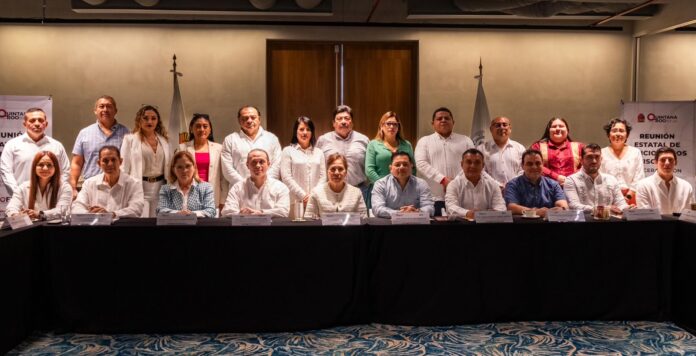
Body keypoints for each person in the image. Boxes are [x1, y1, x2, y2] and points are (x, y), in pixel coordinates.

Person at [415, 107, 474, 216]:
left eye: (447, 118)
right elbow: (421, 163)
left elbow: (473, 164)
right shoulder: (424, 141)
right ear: (433, 123)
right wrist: (443, 180)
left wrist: (455, 183)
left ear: (453, 122)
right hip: (434, 198)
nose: (443, 120)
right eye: (439, 118)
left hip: (461, 195)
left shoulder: (465, 140)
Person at [0, 108, 70, 197]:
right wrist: (18, 194)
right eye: (32, 120)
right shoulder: (12, 145)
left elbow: (65, 171)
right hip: (20, 199)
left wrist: (55, 192)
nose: (37, 124)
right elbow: (6, 172)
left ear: (46, 124)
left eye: (41, 120)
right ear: (25, 124)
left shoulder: (57, 146)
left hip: (50, 199)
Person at [70, 95, 130, 199]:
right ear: (95, 110)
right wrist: (73, 187)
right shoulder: (84, 133)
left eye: (109, 106)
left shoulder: (127, 133)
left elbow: (131, 162)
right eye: (101, 106)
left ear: (115, 110)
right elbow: (76, 163)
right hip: (91, 187)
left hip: (118, 188)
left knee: (115, 215)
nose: (105, 109)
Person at [120, 105, 171, 217]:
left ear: (158, 121)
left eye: (153, 118)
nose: (150, 121)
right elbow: (123, 168)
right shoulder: (130, 140)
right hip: (139, 185)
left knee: (158, 222)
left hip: (161, 187)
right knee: (141, 223)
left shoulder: (164, 140)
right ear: (139, 120)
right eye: (145, 118)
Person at [316, 105, 370, 204]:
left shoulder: (364, 140)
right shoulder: (323, 140)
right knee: (331, 219)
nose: (343, 121)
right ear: (333, 123)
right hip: (330, 191)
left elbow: (369, 166)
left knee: (361, 219)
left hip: (360, 190)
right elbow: (317, 167)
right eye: (339, 119)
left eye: (347, 118)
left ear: (352, 122)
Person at [72, 145, 144, 218]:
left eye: (113, 160)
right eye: (105, 161)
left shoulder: (134, 184)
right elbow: (77, 207)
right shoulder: (89, 183)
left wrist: (111, 214)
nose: (110, 164)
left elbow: (136, 210)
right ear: (99, 163)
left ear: (120, 161)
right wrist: (91, 215)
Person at [221, 105, 282, 188]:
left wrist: (264, 184)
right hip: (239, 190)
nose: (249, 121)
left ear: (259, 119)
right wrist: (246, 186)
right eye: (245, 118)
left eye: (253, 117)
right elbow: (227, 169)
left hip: (268, 189)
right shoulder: (230, 140)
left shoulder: (272, 138)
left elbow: (277, 165)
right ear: (239, 120)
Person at [178, 113, 228, 213]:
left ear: (210, 129)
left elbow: (223, 178)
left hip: (212, 194)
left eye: (205, 126)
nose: (202, 129)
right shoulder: (183, 148)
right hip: (189, 193)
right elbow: (176, 173)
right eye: (198, 126)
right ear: (191, 129)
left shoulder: (219, 148)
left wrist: (223, 200)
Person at [280, 116, 326, 219]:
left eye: (308, 129)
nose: (304, 132)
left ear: (312, 132)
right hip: (295, 201)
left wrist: (313, 196)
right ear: (295, 132)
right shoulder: (287, 151)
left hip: (316, 201)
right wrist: (303, 196)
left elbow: (323, 177)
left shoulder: (319, 152)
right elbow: (286, 177)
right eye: (301, 129)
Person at [221, 149, 289, 217]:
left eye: (261, 162)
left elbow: (283, 211)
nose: (258, 166)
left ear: (268, 164)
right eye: (254, 162)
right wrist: (241, 214)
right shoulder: (237, 187)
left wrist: (261, 212)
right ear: (247, 165)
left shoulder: (280, 187)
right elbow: (226, 211)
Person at [5, 151, 72, 221]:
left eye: (49, 165)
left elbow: (62, 210)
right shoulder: (23, 187)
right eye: (41, 165)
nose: (45, 168)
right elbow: (11, 208)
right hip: (30, 229)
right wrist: (15, 215)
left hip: (55, 229)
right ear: (34, 167)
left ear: (56, 168)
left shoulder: (65, 188)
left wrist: (38, 214)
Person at [563, 143, 629, 213]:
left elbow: (621, 203)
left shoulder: (611, 180)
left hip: (608, 221)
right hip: (583, 222)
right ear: (581, 160)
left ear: (601, 159)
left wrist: (628, 209)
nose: (594, 161)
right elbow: (573, 206)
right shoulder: (571, 180)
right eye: (589, 157)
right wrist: (603, 210)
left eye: (597, 157)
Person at [504, 149, 569, 218]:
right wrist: (535, 212)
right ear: (522, 166)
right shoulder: (513, 185)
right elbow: (511, 207)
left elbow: (563, 206)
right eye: (529, 164)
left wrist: (560, 209)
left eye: (538, 163)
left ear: (542, 165)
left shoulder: (553, 184)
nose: (534, 167)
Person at [444, 149, 506, 219]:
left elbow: (501, 208)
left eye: (477, 162)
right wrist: (469, 213)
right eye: (469, 162)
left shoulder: (493, 185)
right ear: (462, 164)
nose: (473, 166)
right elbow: (451, 208)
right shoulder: (453, 185)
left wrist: (482, 215)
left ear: (483, 166)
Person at [371, 151, 434, 218]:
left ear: (411, 166)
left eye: (405, 164)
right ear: (390, 168)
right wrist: (400, 214)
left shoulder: (421, 184)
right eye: (397, 165)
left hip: (415, 224)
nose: (401, 167)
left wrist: (417, 212)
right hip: (389, 225)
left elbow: (430, 208)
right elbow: (377, 209)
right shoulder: (380, 184)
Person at [305, 153, 367, 218]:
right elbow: (309, 220)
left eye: (340, 169)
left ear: (345, 172)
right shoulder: (316, 193)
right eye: (333, 169)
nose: (336, 173)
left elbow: (363, 220)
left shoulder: (356, 193)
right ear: (327, 171)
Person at [157, 151, 216, 217]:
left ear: (194, 167)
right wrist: (178, 213)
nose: (184, 170)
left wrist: (192, 214)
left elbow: (211, 211)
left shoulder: (206, 188)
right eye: (179, 167)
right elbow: (160, 210)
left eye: (188, 166)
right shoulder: (166, 189)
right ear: (173, 169)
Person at [635, 147, 694, 215]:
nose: (667, 163)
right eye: (663, 160)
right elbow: (646, 217)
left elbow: (689, 216)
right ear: (655, 163)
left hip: (681, 225)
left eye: (670, 159)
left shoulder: (686, 187)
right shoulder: (643, 185)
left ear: (676, 163)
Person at [600, 118, 644, 205]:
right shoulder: (601, 153)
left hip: (632, 196)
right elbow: (600, 178)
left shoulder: (635, 152)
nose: (618, 134)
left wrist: (628, 196)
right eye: (614, 130)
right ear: (608, 134)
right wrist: (614, 197)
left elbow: (639, 177)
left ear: (627, 135)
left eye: (621, 131)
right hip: (608, 197)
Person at [530, 117, 584, 186]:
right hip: (546, 188)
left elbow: (585, 166)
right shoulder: (537, 147)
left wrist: (570, 179)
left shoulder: (580, 147)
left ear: (567, 130)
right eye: (554, 126)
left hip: (575, 187)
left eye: (561, 126)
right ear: (548, 130)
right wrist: (556, 177)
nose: (558, 129)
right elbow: (534, 165)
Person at [366, 111, 415, 185]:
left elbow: (413, 168)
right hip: (379, 188)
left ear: (398, 128)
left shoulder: (407, 145)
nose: (392, 127)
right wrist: (383, 186)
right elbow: (369, 170)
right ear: (381, 126)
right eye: (388, 124)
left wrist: (407, 185)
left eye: (395, 124)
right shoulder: (373, 144)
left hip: (403, 188)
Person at [477, 116, 526, 189]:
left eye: (505, 125)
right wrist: (498, 185)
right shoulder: (481, 149)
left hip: (516, 191)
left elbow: (524, 169)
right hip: (490, 192)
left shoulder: (520, 148)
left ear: (510, 128)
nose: (502, 127)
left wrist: (511, 185)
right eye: (497, 125)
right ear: (491, 129)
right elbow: (480, 171)